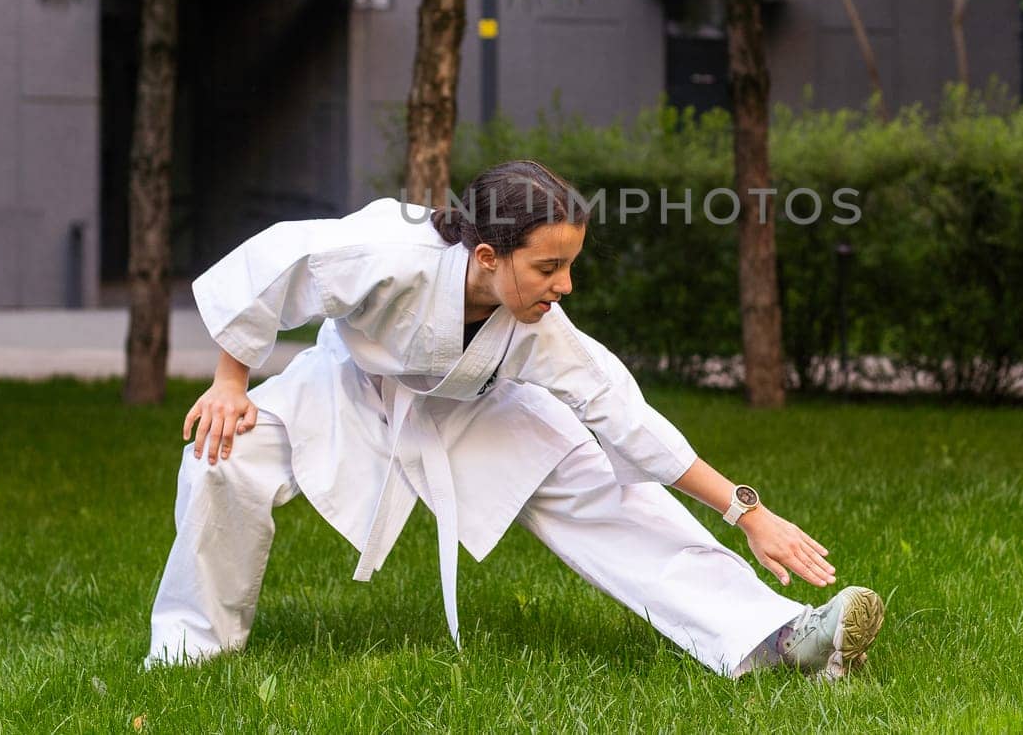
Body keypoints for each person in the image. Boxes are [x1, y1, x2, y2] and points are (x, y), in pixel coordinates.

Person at [146, 160, 884, 679]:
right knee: (220, 455)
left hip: (477, 407)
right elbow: (274, 264)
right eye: (548, 269)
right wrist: (229, 381)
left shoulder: (540, 325)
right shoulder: (383, 252)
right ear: (491, 254)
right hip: (345, 388)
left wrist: (744, 508)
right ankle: (189, 651)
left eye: (571, 267)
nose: (564, 287)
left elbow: (626, 416)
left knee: (607, 483)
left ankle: (781, 636)